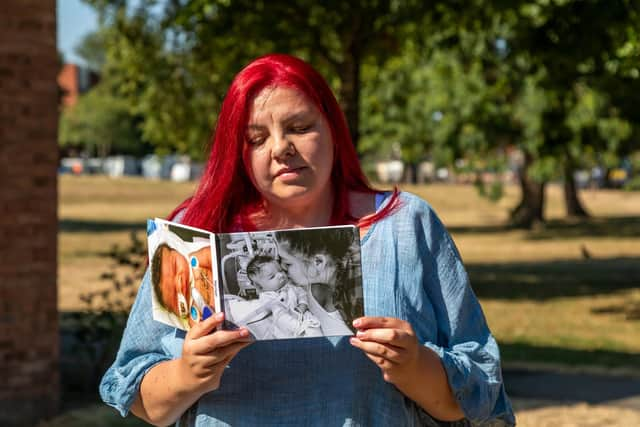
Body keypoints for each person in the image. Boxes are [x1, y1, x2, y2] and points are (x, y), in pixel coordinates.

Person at [100, 53, 515, 426]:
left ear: (334, 129)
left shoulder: (406, 224)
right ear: (238, 153)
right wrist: (186, 375)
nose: (281, 148)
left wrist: (416, 366)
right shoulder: (196, 236)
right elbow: (141, 398)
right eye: (256, 139)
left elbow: (476, 392)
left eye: (300, 127)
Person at [275, 227, 360, 336]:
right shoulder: (317, 278)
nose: (282, 268)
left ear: (318, 262)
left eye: (288, 264)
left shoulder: (357, 294)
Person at [242, 255, 322, 338]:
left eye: (280, 270)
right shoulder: (268, 298)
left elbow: (302, 293)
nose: (280, 275)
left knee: (315, 332)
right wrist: (298, 327)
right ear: (260, 287)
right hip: (288, 329)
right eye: (272, 276)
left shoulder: (289, 285)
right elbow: (280, 317)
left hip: (303, 317)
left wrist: (302, 305)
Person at [149, 231, 215, 329]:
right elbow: (198, 329)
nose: (179, 282)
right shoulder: (194, 315)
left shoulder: (196, 260)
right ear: (175, 310)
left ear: (177, 252)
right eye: (174, 292)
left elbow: (212, 255)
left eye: (175, 267)